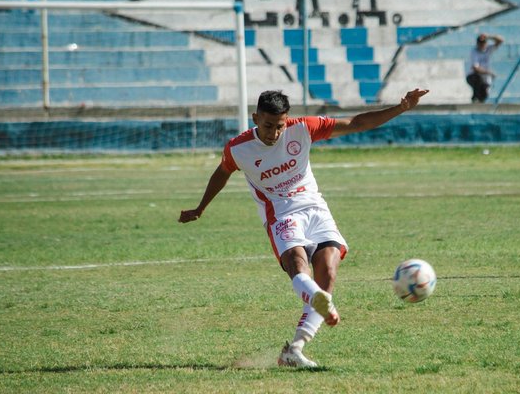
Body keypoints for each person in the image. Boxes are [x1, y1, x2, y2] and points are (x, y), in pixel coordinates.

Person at [178, 88, 429, 367]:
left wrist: (401, 107)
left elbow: (357, 123)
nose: (274, 133)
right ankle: (321, 302)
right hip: (281, 214)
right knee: (299, 267)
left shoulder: (304, 128)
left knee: (329, 270)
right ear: (255, 118)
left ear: (288, 119)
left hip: (315, 209)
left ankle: (294, 350)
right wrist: (201, 208)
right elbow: (222, 172)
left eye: (280, 126)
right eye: (268, 126)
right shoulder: (239, 148)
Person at [465, 33, 503, 103]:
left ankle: (479, 101)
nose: (482, 45)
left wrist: (489, 36)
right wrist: (489, 72)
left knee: (485, 92)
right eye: (480, 43)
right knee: (478, 80)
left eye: (483, 42)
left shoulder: (488, 49)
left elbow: (500, 40)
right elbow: (475, 68)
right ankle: (475, 98)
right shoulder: (474, 52)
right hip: (472, 75)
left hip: (485, 77)